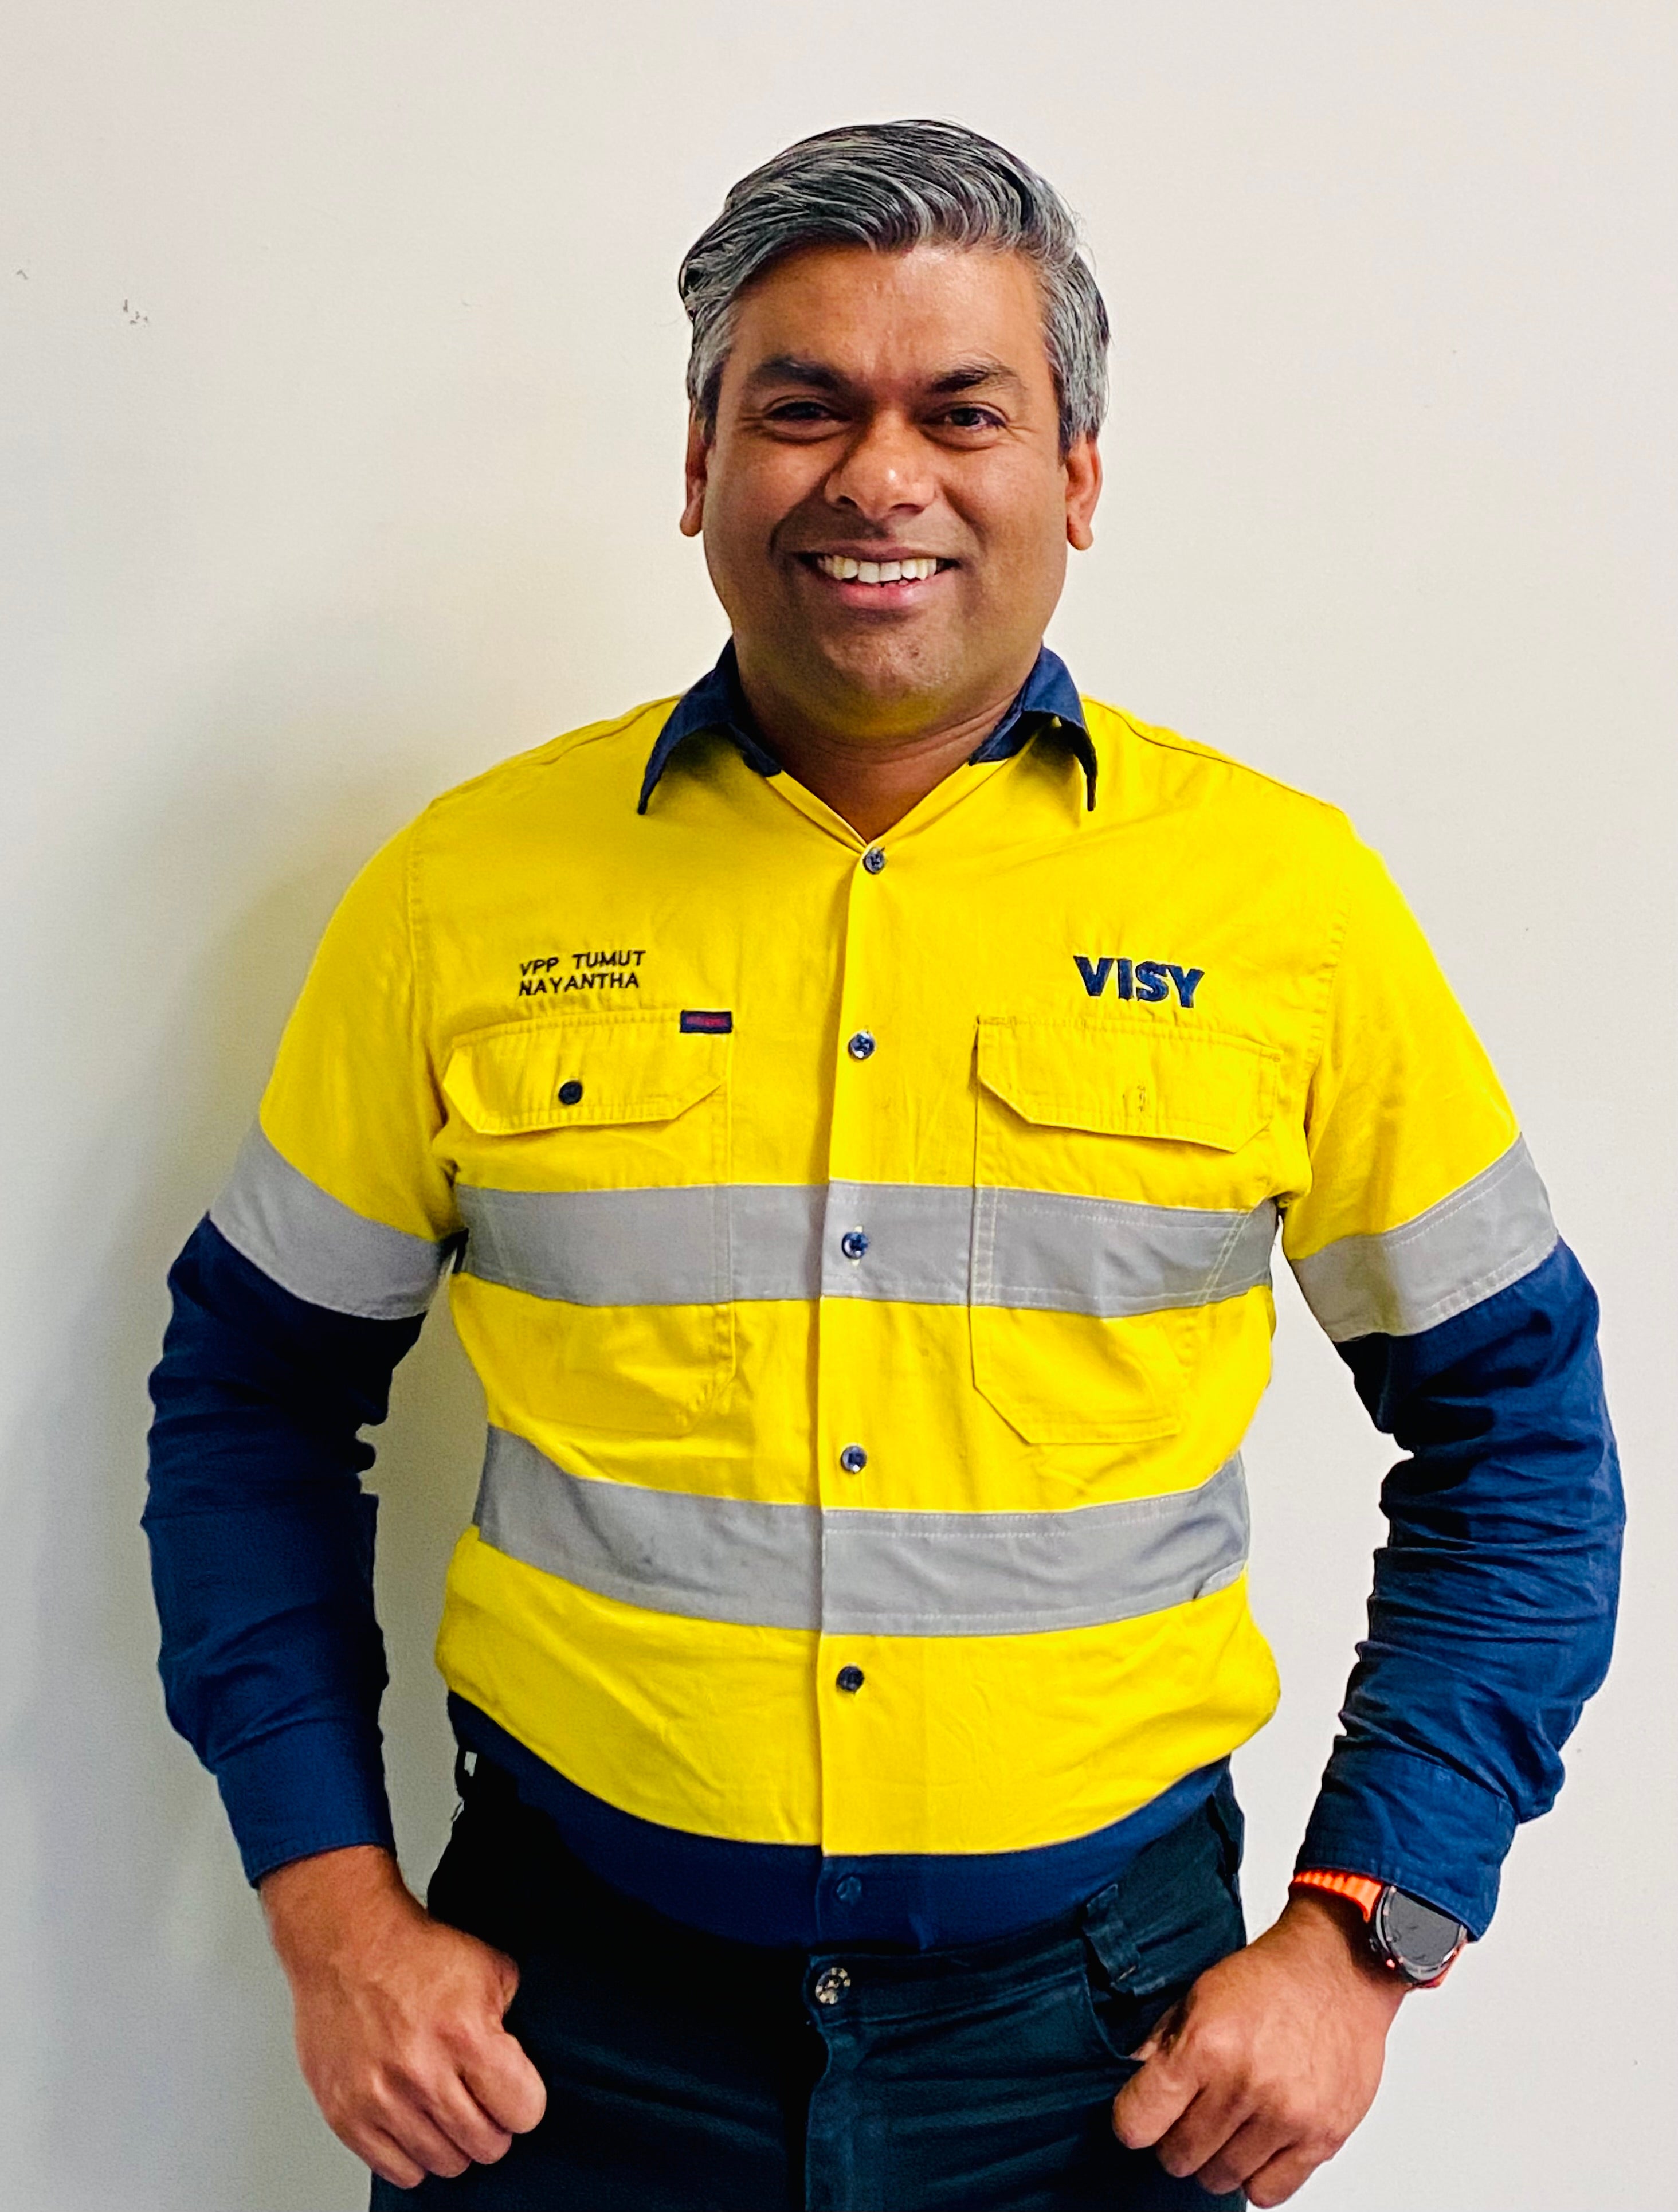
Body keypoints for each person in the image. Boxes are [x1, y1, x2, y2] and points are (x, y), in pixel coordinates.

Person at [144, 119, 1622, 2211]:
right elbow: (249, 1400)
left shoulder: (1289, 908)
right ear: (698, 462)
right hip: (560, 2041)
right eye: (803, 406)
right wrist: (328, 1911)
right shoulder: (457, 899)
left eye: (964, 411)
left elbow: (1520, 1435)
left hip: (1106, 2052)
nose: (880, 477)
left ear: (1078, 477)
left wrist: (1364, 1938)